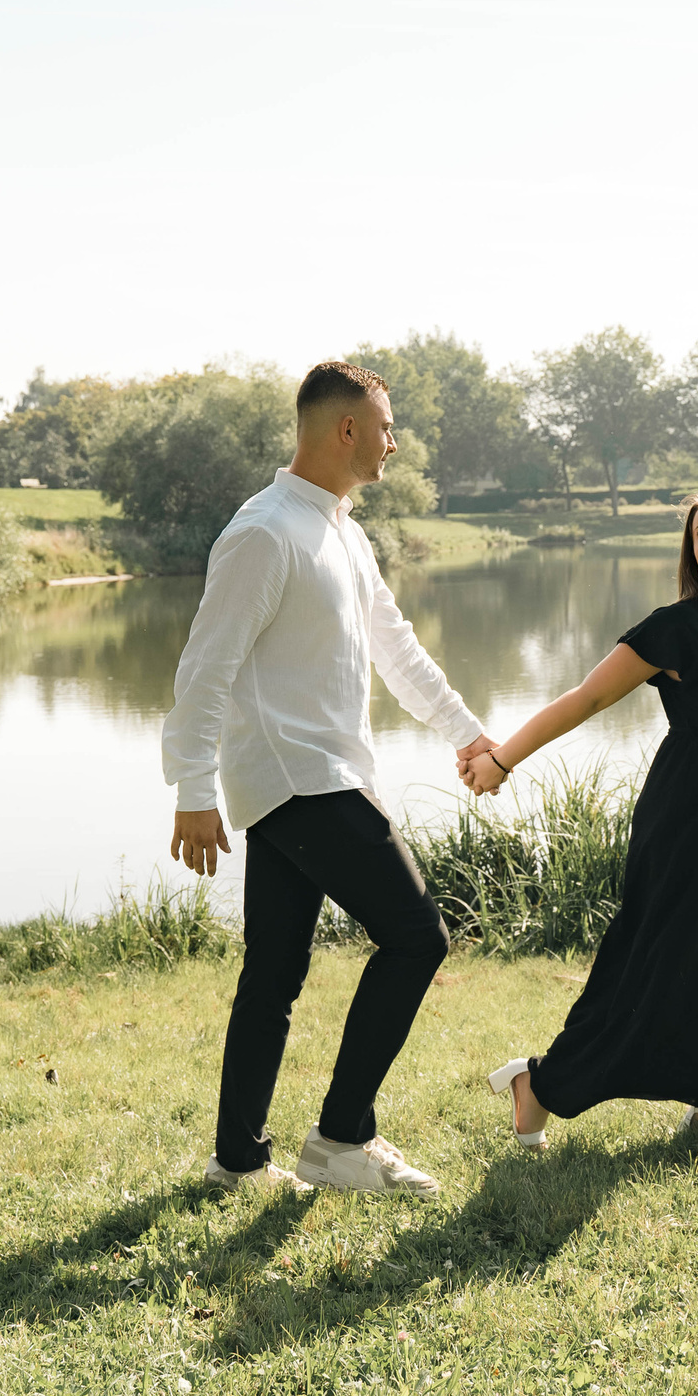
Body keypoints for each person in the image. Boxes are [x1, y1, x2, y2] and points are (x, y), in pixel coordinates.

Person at [161, 358, 499, 1198]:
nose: (394, 443)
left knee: (272, 974)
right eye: (386, 426)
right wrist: (193, 788)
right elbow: (206, 668)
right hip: (299, 779)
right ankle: (343, 1138)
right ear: (346, 429)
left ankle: (236, 1162)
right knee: (418, 936)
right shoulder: (265, 531)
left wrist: (466, 732)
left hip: (321, 774)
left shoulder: (342, 530)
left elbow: (398, 649)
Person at [461, 488, 698, 1145]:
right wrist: (503, 759)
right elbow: (586, 697)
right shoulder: (676, 627)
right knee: (656, 967)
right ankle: (538, 1085)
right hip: (685, 823)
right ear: (692, 552)